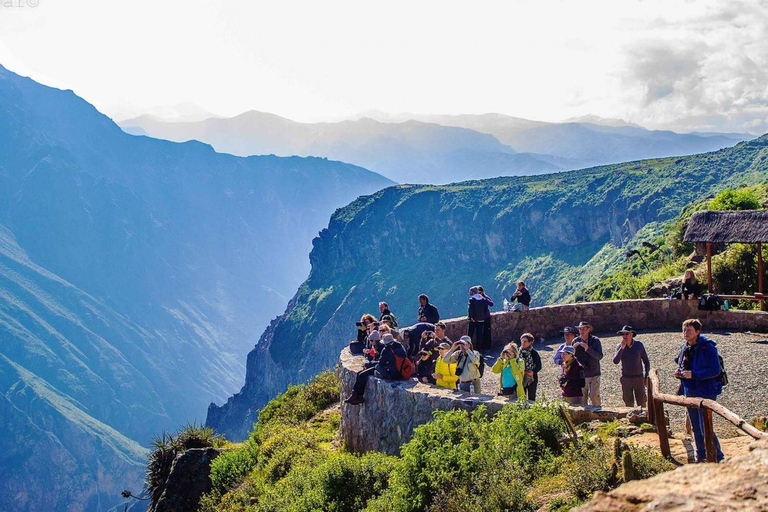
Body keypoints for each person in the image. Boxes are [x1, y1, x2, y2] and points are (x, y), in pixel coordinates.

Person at [675, 319, 724, 462]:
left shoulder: (708, 347)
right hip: (690, 390)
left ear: (698, 331)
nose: (685, 333)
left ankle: (718, 456)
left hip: (706, 391)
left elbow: (715, 370)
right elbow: (681, 363)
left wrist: (694, 374)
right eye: (684, 330)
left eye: (689, 330)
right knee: (696, 427)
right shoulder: (685, 347)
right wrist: (680, 372)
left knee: (705, 427)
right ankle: (700, 454)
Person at [344, 333, 409, 405]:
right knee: (361, 373)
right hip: (401, 372)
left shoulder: (386, 350)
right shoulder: (400, 346)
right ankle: (356, 395)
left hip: (392, 374)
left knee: (363, 373)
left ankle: (358, 396)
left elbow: (381, 363)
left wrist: (368, 364)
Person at [612, 325, 651, 407]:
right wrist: (621, 349)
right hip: (626, 378)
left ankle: (643, 418)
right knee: (628, 403)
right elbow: (615, 361)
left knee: (642, 402)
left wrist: (646, 376)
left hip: (638, 378)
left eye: (626, 334)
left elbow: (646, 361)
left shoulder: (638, 345)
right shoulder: (619, 346)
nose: (624, 336)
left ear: (631, 334)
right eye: (623, 334)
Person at [573, 321, 603, 406]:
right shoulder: (575, 341)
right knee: (582, 399)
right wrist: (572, 349)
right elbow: (570, 357)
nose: (581, 331)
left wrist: (587, 349)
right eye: (580, 329)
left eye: (583, 329)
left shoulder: (595, 341)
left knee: (594, 396)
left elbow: (599, 356)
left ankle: (598, 413)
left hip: (594, 373)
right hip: (581, 374)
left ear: (588, 330)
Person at [519, 333, 542, 401]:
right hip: (520, 377)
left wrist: (533, 372)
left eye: (525, 341)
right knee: (521, 396)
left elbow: (539, 366)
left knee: (531, 397)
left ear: (530, 342)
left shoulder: (534, 353)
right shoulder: (518, 352)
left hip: (531, 378)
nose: (523, 343)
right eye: (522, 341)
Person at [477, 285, 494, 350]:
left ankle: (488, 346)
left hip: (486, 317)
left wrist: (484, 299)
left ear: (482, 292)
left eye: (480, 292)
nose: (479, 294)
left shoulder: (485, 297)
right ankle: (482, 346)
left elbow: (491, 304)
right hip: (479, 317)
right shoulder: (475, 298)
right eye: (478, 293)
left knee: (487, 331)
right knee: (480, 332)